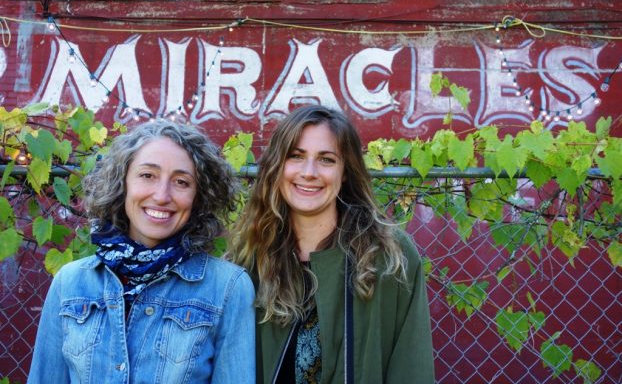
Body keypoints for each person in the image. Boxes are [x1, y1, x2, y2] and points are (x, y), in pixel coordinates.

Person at [28, 119, 255, 383]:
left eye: (181, 182)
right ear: (123, 183)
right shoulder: (70, 283)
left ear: (198, 196)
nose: (161, 195)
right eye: (147, 175)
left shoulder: (228, 288)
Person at [229, 105, 434, 383]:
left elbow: (411, 365)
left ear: (345, 171)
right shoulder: (250, 257)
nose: (309, 172)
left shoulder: (387, 255)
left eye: (326, 160)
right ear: (278, 166)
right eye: (296, 156)